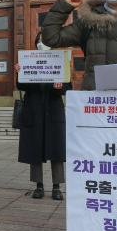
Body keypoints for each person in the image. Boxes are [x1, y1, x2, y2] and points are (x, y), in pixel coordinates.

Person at [14, 32, 71, 200]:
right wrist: (19, 72)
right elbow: (22, 86)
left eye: (44, 41)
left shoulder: (61, 62)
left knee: (56, 150)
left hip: (53, 110)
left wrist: (58, 87)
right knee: (35, 148)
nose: (40, 43)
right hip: (34, 111)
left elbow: (68, 87)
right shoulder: (30, 60)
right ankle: (38, 185)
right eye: (38, 40)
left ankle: (57, 186)